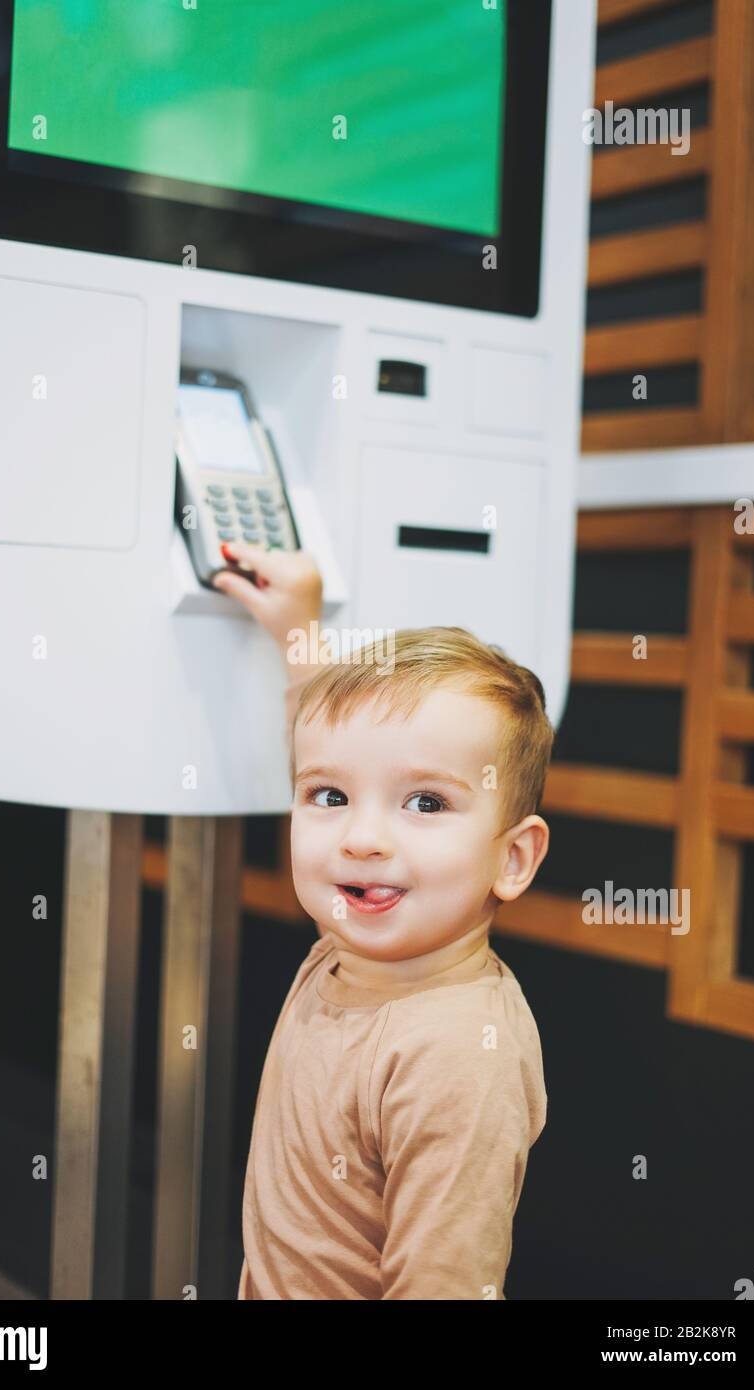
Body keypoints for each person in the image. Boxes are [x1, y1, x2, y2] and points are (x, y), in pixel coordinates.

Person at [213, 539, 552, 1300]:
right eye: (329, 799)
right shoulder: (357, 942)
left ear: (514, 858)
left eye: (425, 803)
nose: (360, 839)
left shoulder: (459, 1055)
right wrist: (298, 629)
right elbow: (323, 735)